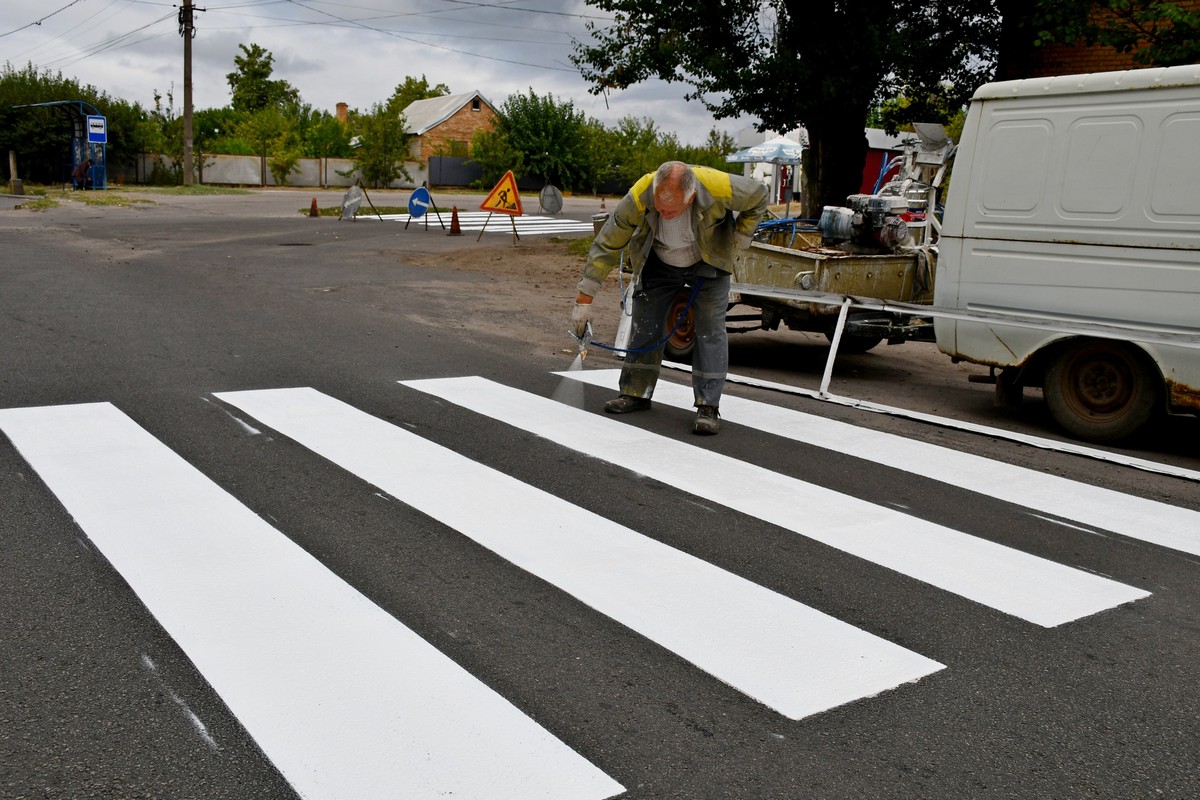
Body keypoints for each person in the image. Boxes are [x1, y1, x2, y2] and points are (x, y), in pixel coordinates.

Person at [570, 161, 768, 435]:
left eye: (671, 210)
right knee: (645, 323)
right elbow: (607, 243)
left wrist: (743, 235)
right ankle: (635, 392)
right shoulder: (641, 194)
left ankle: (708, 406)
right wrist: (584, 300)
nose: (663, 214)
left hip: (708, 261)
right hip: (659, 259)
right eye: (659, 209)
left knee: (710, 330)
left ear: (691, 197)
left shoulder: (717, 187)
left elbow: (759, 195)